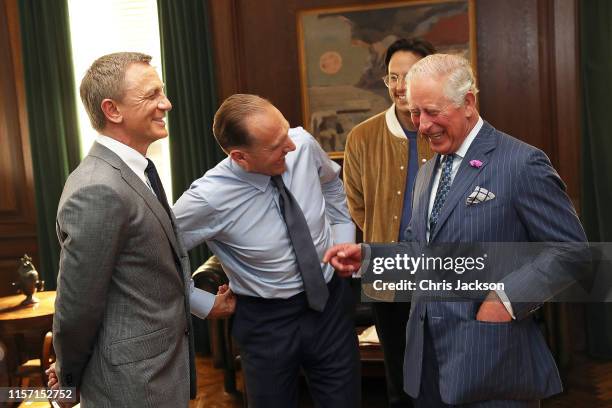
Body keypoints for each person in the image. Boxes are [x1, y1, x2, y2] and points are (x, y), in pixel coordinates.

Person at [324, 54, 586, 407]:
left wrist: (504, 301)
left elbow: (572, 253)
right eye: (415, 112)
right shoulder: (431, 171)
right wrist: (370, 258)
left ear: (468, 103)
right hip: (427, 365)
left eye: (432, 112)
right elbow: (423, 253)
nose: (422, 125)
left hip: (491, 360)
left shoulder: (521, 163)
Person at [50, 52, 235, 407]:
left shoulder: (136, 170)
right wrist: (68, 378)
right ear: (112, 110)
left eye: (161, 92)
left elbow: (147, 274)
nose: (166, 103)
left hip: (158, 375)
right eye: (151, 95)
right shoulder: (97, 189)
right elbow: (77, 306)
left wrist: (205, 304)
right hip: (132, 387)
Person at [172, 94, 360, 408]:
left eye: (286, 132)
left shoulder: (302, 144)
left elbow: (330, 184)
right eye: (275, 144)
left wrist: (342, 237)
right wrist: (202, 303)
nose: (289, 145)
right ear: (240, 156)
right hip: (267, 324)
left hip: (330, 306)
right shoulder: (207, 199)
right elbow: (154, 256)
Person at [343, 37, 435, 408]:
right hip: (389, 271)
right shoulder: (362, 137)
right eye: (392, 77)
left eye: (409, 76)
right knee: (399, 379)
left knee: (446, 371)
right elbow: (357, 204)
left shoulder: (450, 130)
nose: (399, 86)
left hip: (445, 268)